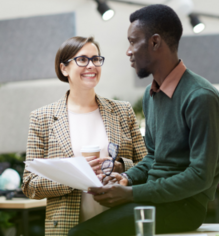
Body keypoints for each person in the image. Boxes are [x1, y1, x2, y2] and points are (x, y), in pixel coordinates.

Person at [68, 4, 219, 235]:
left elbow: (200, 176)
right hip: (153, 197)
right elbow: (153, 157)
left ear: (154, 42)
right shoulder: (150, 95)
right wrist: (125, 178)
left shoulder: (201, 97)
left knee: (81, 234)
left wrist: (132, 193)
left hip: (184, 206)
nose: (128, 51)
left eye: (133, 41)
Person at [22, 36, 148, 236]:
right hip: (67, 229)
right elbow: (30, 185)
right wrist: (74, 175)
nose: (91, 66)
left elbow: (148, 165)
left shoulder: (123, 111)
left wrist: (121, 166)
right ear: (64, 69)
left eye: (96, 59)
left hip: (121, 222)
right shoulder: (42, 118)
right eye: (82, 60)